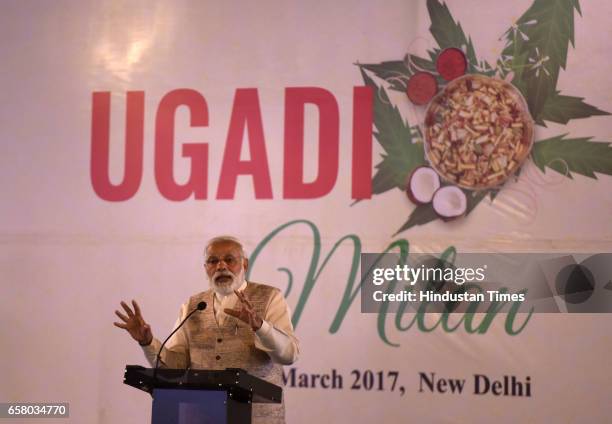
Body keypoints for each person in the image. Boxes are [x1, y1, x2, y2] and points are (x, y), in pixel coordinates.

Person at [114, 236, 299, 423]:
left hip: (258, 418)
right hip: (202, 416)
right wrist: (147, 343)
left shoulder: (270, 297)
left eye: (229, 259)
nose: (221, 266)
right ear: (206, 268)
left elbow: (288, 355)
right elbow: (173, 368)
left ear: (245, 264)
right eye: (213, 261)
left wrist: (261, 327)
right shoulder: (193, 305)